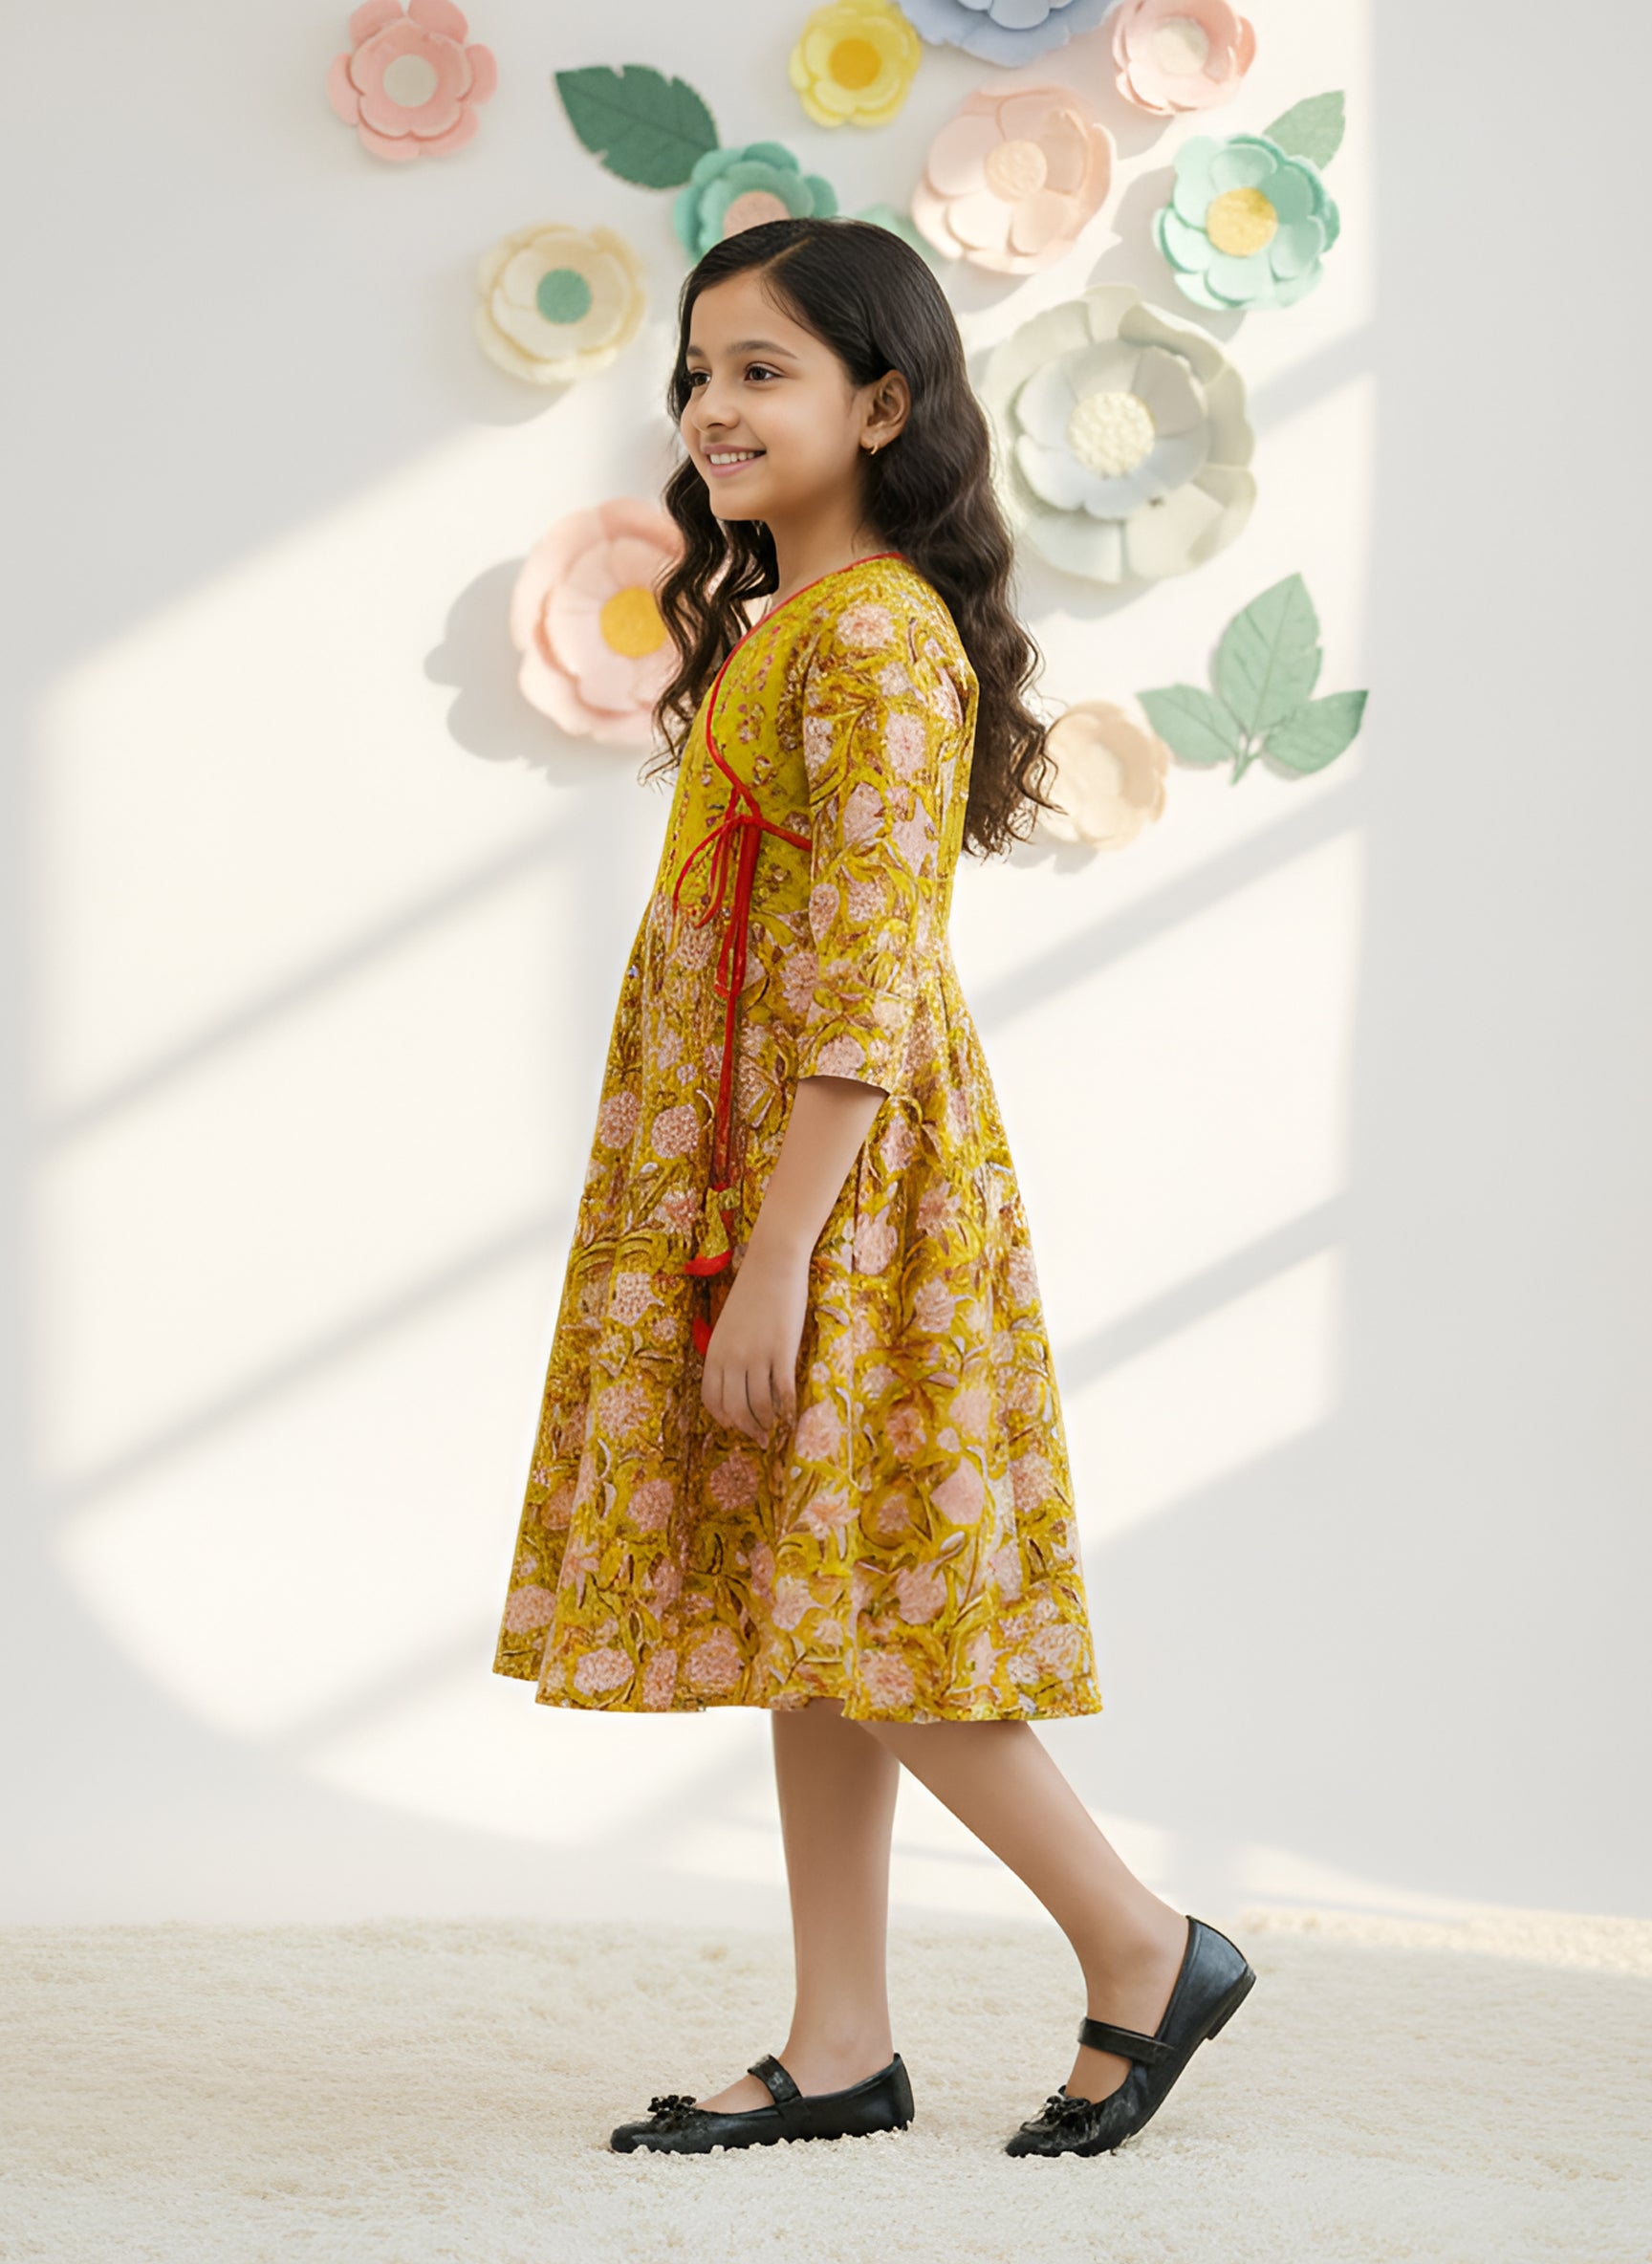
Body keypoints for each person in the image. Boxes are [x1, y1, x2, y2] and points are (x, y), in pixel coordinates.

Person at [491, 214, 1254, 2160]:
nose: (713, 407)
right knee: (805, 1595)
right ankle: (841, 2041)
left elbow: (870, 976)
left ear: (885, 404)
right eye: (698, 372)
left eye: (764, 371)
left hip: (838, 1189)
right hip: (769, 1178)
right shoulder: (793, 627)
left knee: (872, 1609)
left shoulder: (883, 641)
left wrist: (776, 1258)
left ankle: (1141, 1941)